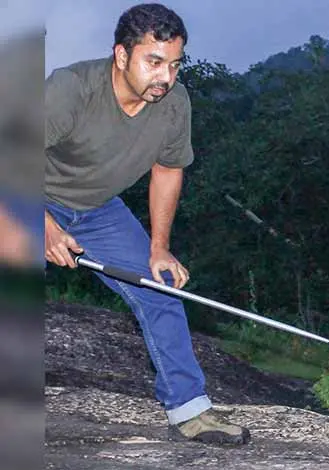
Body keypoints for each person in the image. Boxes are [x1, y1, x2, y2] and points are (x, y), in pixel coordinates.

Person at [43, 3, 250, 445]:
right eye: (154, 62)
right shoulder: (71, 88)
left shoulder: (174, 104)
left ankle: (190, 411)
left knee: (160, 289)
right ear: (121, 55)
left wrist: (159, 246)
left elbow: (168, 170)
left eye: (174, 64)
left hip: (97, 209)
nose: (166, 77)